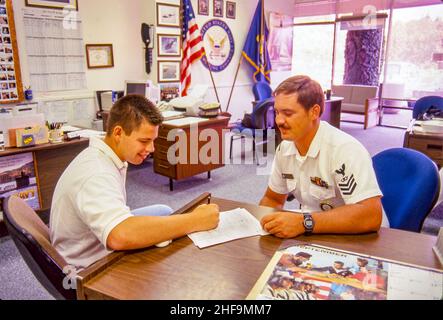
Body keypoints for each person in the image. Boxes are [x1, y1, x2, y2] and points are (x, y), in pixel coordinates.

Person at [50, 94, 220, 270]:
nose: (151, 149)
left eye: (153, 141)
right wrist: (195, 220)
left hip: (92, 237)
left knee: (165, 211)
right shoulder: (97, 173)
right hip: (87, 265)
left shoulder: (106, 154)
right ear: (118, 133)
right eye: (144, 141)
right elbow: (120, 235)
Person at [260, 75, 388, 239]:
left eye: (288, 113)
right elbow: (273, 198)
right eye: (276, 112)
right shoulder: (285, 149)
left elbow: (370, 215)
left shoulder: (344, 150)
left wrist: (303, 222)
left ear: (314, 112)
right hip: (312, 231)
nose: (279, 120)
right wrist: (263, 223)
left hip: (359, 237)